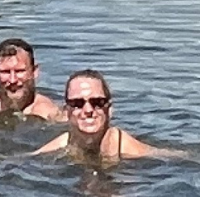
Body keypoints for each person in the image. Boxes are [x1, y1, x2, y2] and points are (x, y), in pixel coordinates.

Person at [33, 69, 185, 164]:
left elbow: (179, 158)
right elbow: (21, 161)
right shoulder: (58, 146)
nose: (88, 110)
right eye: (77, 103)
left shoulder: (128, 149)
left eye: (97, 102)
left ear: (110, 109)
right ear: (66, 111)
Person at [0, 37, 64, 120]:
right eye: (5, 72)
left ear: (34, 72)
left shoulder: (51, 114)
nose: (12, 80)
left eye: (19, 71)